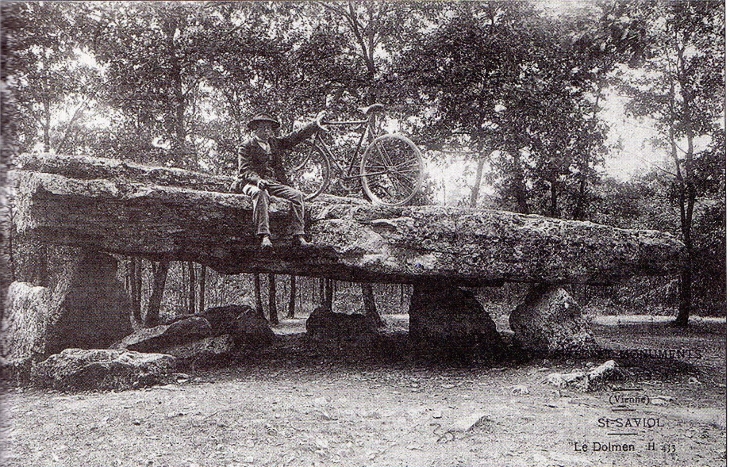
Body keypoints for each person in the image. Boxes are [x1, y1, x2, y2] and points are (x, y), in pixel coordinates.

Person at [231, 111, 326, 250]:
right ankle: (264, 236)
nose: (266, 131)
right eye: (262, 127)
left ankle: (298, 235)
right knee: (260, 194)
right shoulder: (246, 146)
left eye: (269, 128)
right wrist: (257, 180)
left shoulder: (273, 143)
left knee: (297, 195)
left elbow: (294, 137)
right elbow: (244, 170)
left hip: (272, 183)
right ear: (254, 129)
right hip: (250, 183)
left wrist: (314, 125)